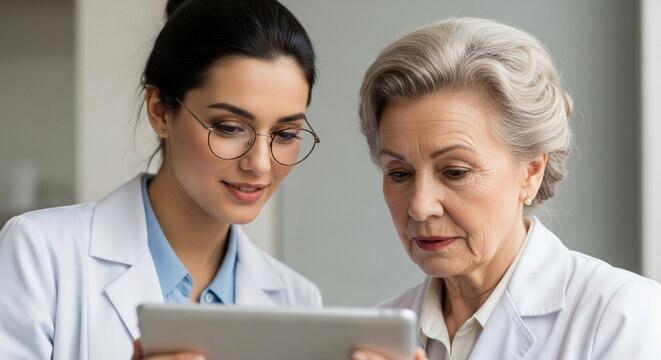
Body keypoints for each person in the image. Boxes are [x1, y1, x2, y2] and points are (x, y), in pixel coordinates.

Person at [0, 0, 322, 359]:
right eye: (230, 128)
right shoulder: (40, 254)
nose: (260, 164)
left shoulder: (298, 300)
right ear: (160, 111)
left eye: (286, 134)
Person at [354, 17, 661, 360]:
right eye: (399, 174)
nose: (420, 206)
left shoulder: (623, 315)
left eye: (455, 172)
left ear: (531, 172)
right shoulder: (372, 336)